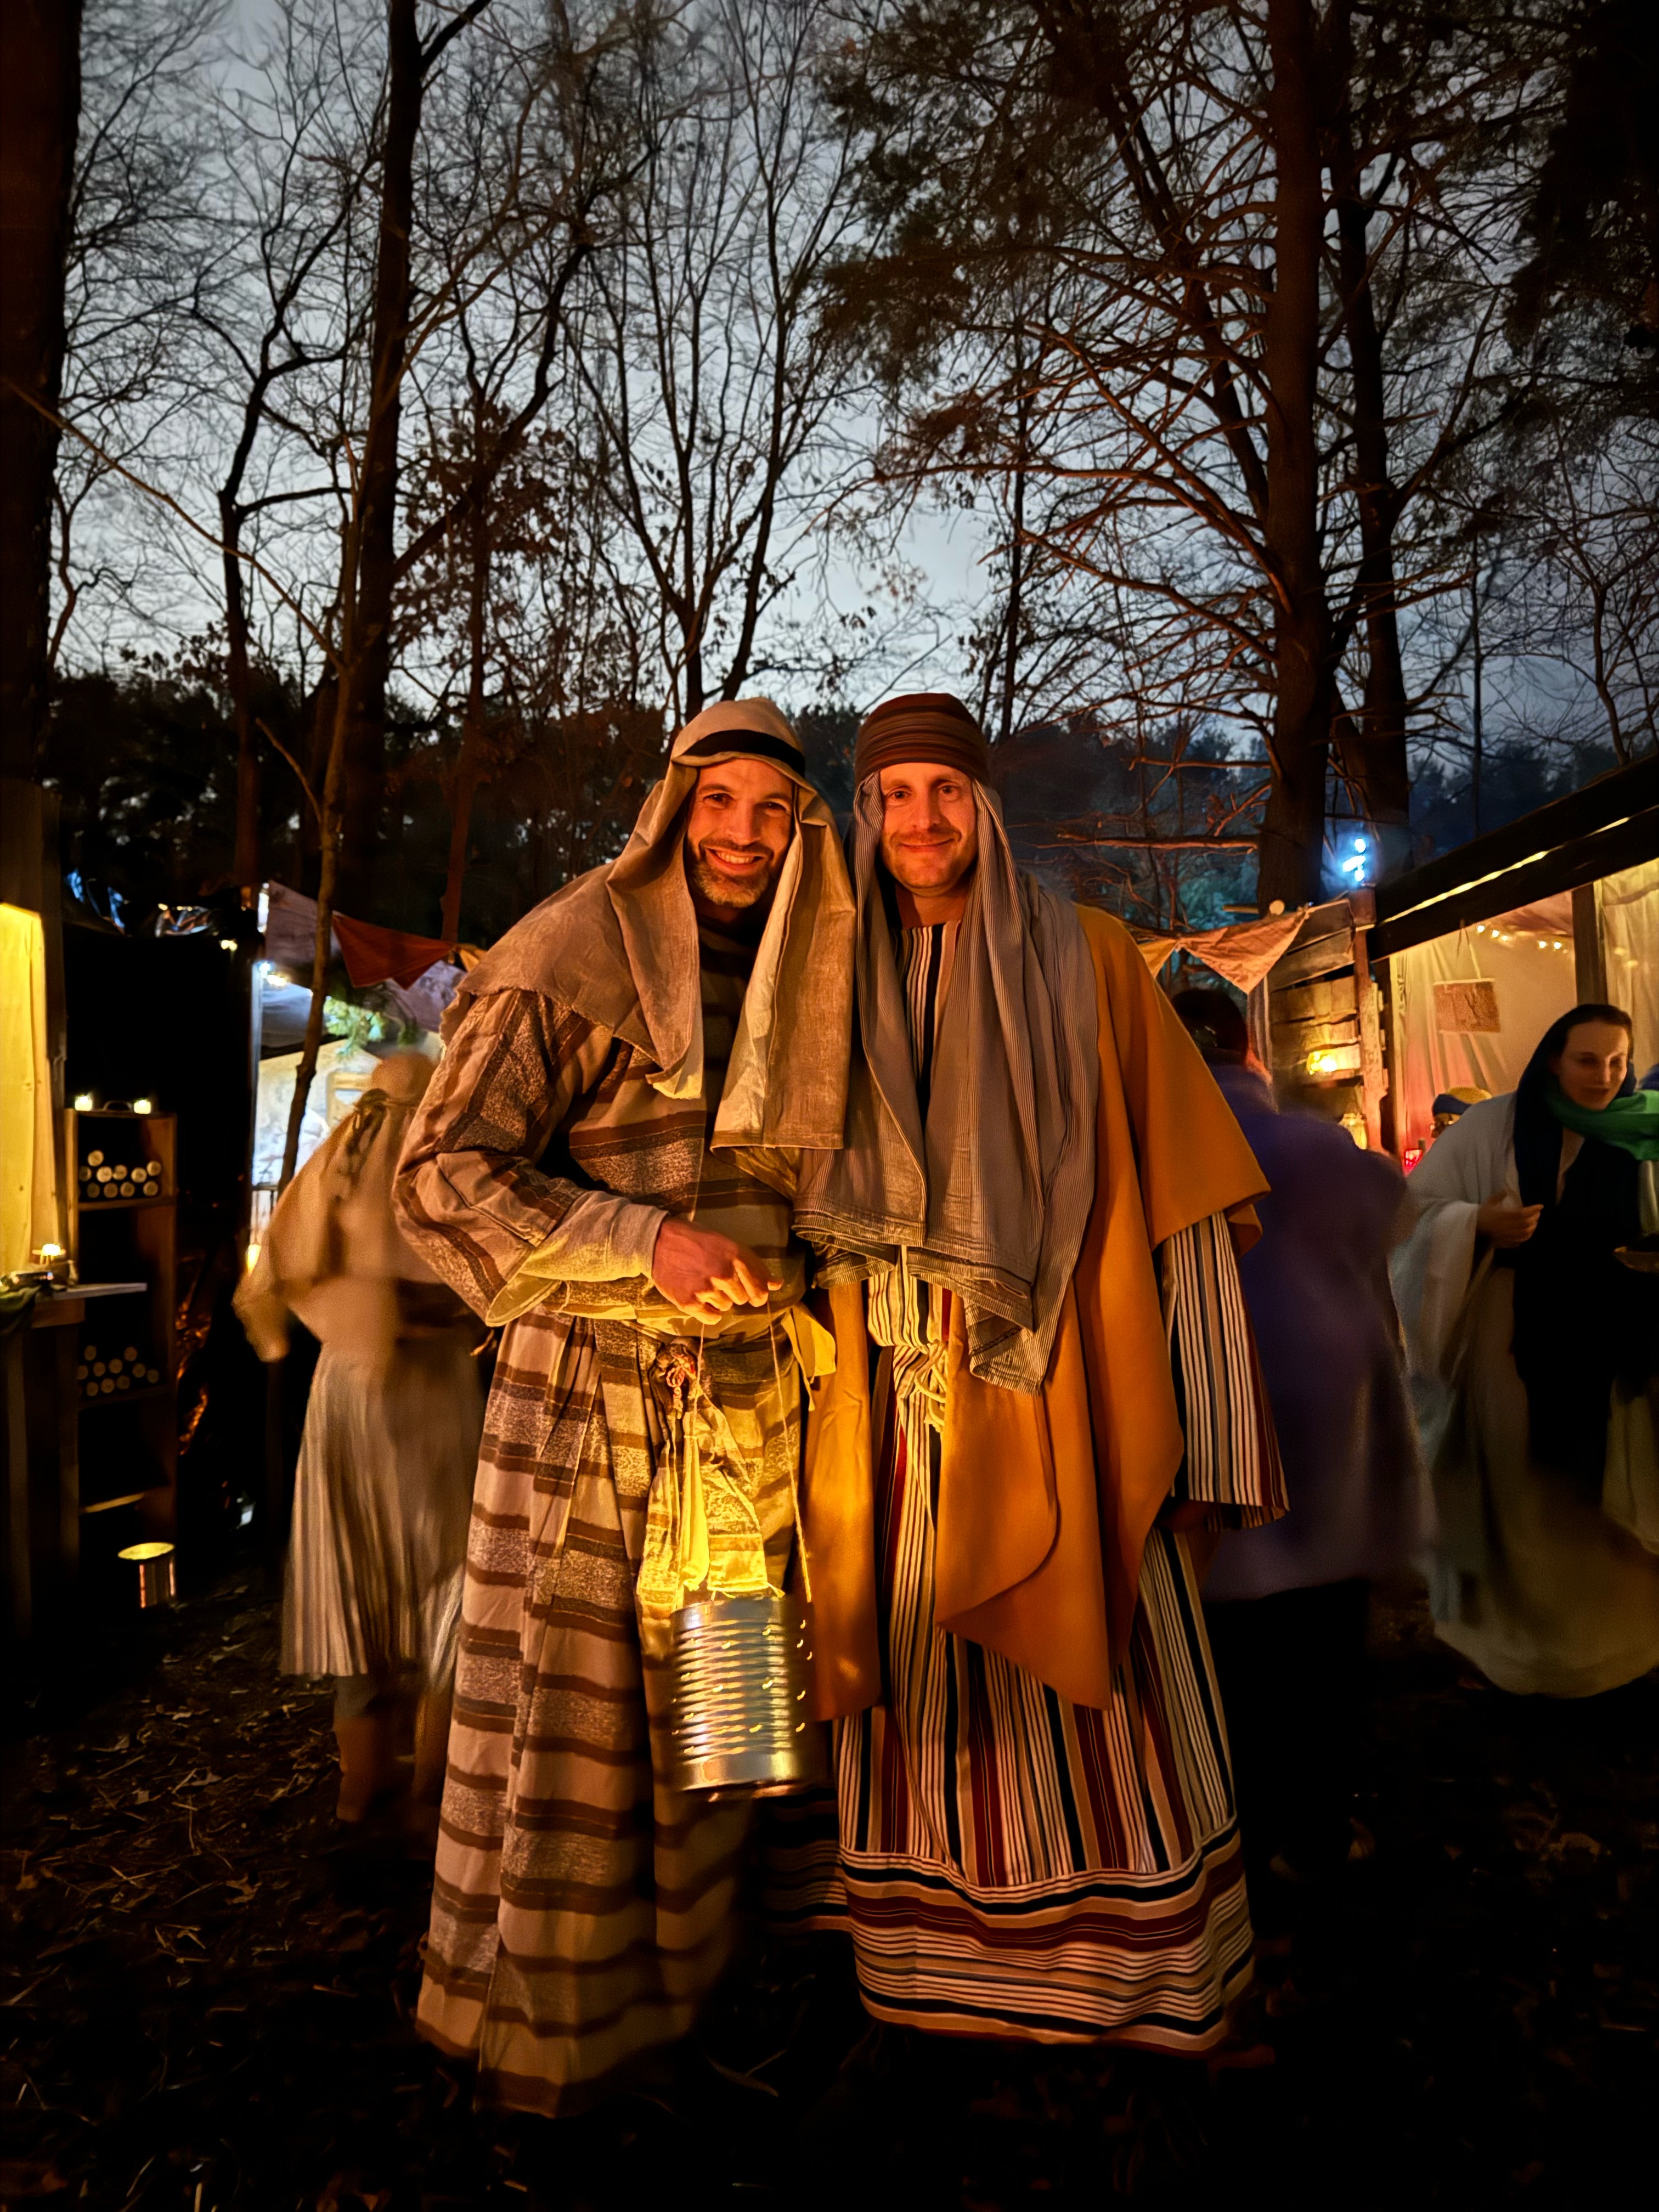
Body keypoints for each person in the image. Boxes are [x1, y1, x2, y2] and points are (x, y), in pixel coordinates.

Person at [787, 693, 1286, 2055]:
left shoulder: (1092, 958)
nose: (922, 820)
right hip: (888, 1408)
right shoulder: (826, 981)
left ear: (986, 807)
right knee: (916, 1678)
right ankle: (929, 1991)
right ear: (864, 815)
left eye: (945, 790)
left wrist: (1210, 1436)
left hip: (1067, 1382)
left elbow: (1181, 1206)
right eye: (894, 795)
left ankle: (1135, 2005)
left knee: (1109, 1672)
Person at [392, 700, 854, 2115]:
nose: (743, 835)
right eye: (719, 802)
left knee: (730, 1712)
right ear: (673, 808)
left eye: (773, 810)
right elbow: (439, 1176)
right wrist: (640, 1241)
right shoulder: (568, 952)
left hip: (754, 1411)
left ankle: (707, 1996)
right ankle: (566, 2039)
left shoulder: (810, 971)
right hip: (591, 1410)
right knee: (590, 1733)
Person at [1171, 988, 1425, 1891]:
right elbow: (1393, 1209)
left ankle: (1231, 1827)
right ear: (1250, 1052)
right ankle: (1315, 1829)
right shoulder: (1316, 1147)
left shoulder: (1144, 1142)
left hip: (1205, 1408)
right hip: (1327, 1407)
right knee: (1323, 1639)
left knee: (1222, 1645)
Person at [235, 1051, 484, 1825]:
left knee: (355, 1566)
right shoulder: (443, 1171)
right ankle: (433, 1782)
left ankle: (362, 1783)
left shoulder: (337, 1165)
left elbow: (271, 1280)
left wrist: (296, 1335)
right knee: (446, 1574)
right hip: (431, 1392)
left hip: (348, 1392)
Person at [1392, 1002, 1659, 1695]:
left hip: (1610, 1339)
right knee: (1516, 1482)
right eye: (1587, 1060)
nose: (1604, 1076)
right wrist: (1476, 1223)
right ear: (1553, 1059)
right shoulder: (1493, 1126)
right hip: (1510, 1334)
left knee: (1605, 1484)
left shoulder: (1643, 1131)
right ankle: (1520, 1646)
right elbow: (1411, 1213)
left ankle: (1609, 1646)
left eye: (1617, 1061)